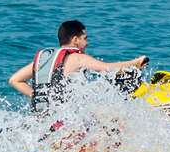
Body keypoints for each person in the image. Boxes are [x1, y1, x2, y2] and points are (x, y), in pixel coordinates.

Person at [9, 20, 148, 115]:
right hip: (65, 122)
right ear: (75, 40)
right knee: (110, 119)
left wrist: (38, 96)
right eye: (85, 38)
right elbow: (108, 68)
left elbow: (14, 80)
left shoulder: (44, 60)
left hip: (43, 119)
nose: (87, 43)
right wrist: (135, 63)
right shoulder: (76, 58)